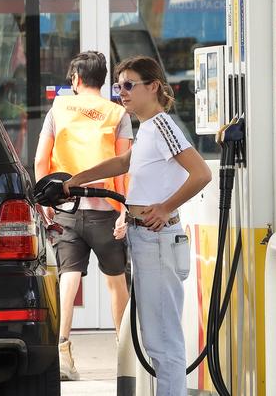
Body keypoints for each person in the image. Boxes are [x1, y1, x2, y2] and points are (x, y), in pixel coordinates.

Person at [63, 55, 212, 395]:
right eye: (118, 86)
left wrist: (165, 207)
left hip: (158, 241)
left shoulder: (162, 125)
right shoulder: (148, 128)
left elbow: (201, 173)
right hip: (145, 239)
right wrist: (78, 179)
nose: (122, 93)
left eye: (129, 85)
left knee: (162, 342)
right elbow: (123, 161)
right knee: (155, 338)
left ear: (153, 86)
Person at [34, 51, 132, 381]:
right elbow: (125, 167)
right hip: (106, 209)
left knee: (68, 277)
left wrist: (43, 199)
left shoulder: (58, 109)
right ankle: (125, 357)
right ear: (103, 79)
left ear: (76, 79)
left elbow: (39, 160)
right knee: (116, 280)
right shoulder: (117, 112)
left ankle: (63, 354)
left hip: (66, 208)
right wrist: (126, 212)